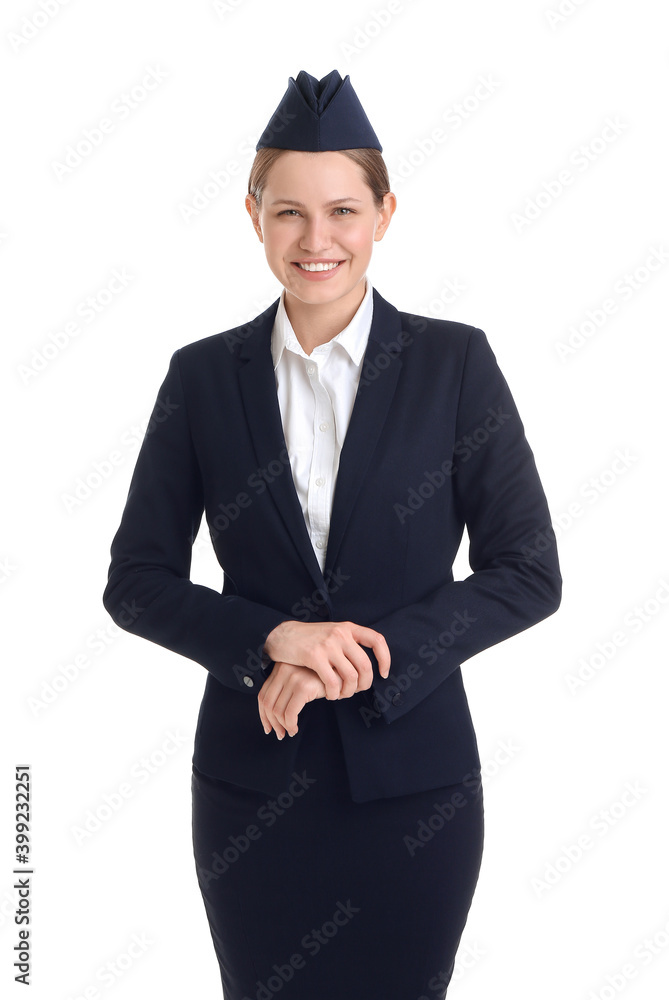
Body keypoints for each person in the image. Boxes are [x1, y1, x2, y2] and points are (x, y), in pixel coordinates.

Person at [102, 69, 562, 999]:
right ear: (252, 215)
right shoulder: (201, 377)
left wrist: (360, 655)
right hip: (250, 792)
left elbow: (527, 571)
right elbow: (137, 578)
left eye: (344, 210)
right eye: (289, 214)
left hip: (416, 792)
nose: (317, 241)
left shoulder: (453, 363)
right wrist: (273, 639)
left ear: (385, 214)